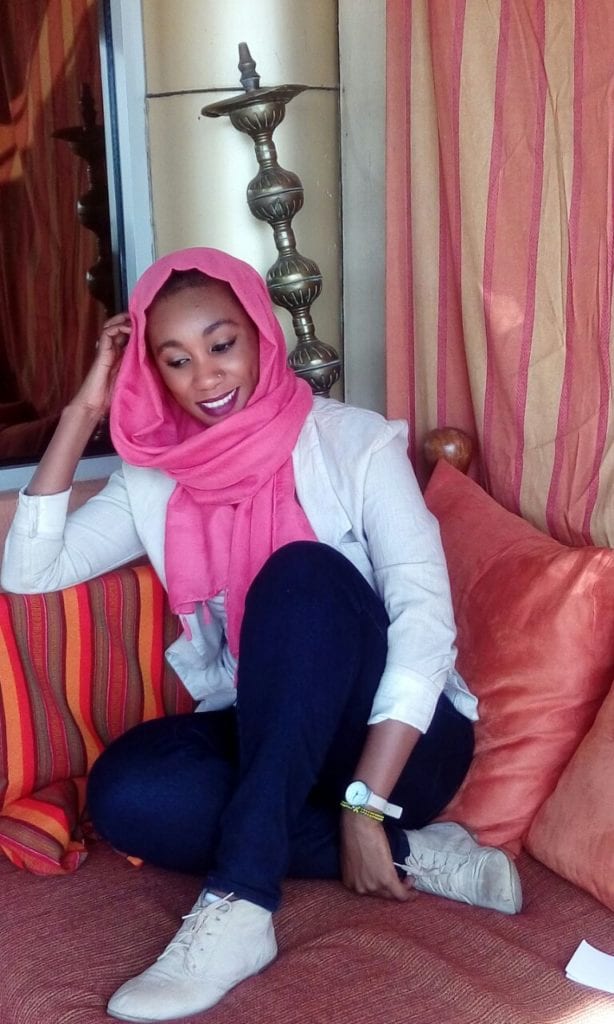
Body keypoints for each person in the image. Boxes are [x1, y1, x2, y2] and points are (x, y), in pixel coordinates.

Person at [0, 248, 522, 1024]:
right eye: (175, 360)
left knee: (301, 574)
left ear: (261, 333)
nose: (205, 377)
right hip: (278, 734)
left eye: (221, 344)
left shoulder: (354, 442)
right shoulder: (158, 475)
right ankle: (419, 852)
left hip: (400, 747)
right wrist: (84, 410)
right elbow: (30, 571)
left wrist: (366, 805)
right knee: (126, 793)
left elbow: (425, 623)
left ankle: (241, 899)